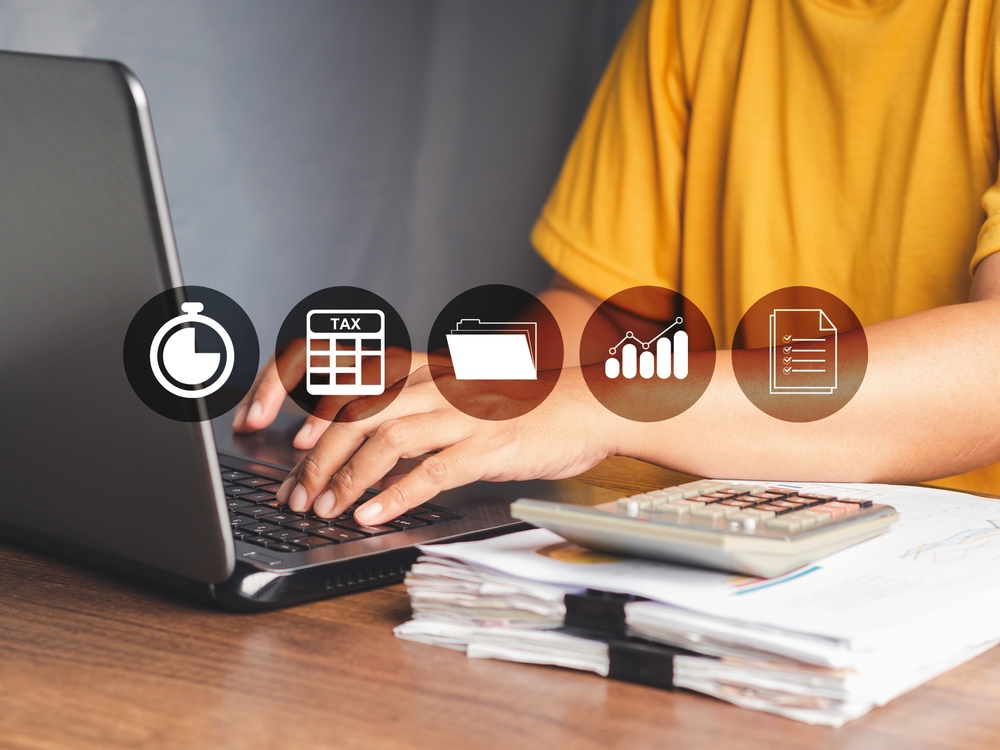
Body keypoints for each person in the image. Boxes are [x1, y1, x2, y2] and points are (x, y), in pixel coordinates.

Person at [232, 0, 1000, 526]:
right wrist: (475, 379)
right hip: (697, 552)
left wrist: (610, 402)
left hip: (946, 589)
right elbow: (613, 317)